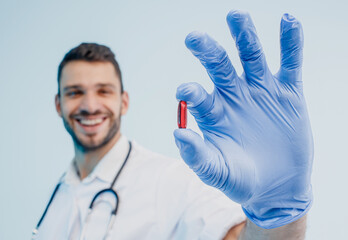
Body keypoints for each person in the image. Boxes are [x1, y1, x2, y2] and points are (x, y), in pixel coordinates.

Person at [33, 10, 313, 240]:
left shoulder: (170, 181)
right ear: (59, 104)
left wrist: (276, 209)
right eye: (75, 92)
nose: (90, 105)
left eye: (104, 90)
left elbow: (237, 237)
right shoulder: (59, 192)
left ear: (124, 101)